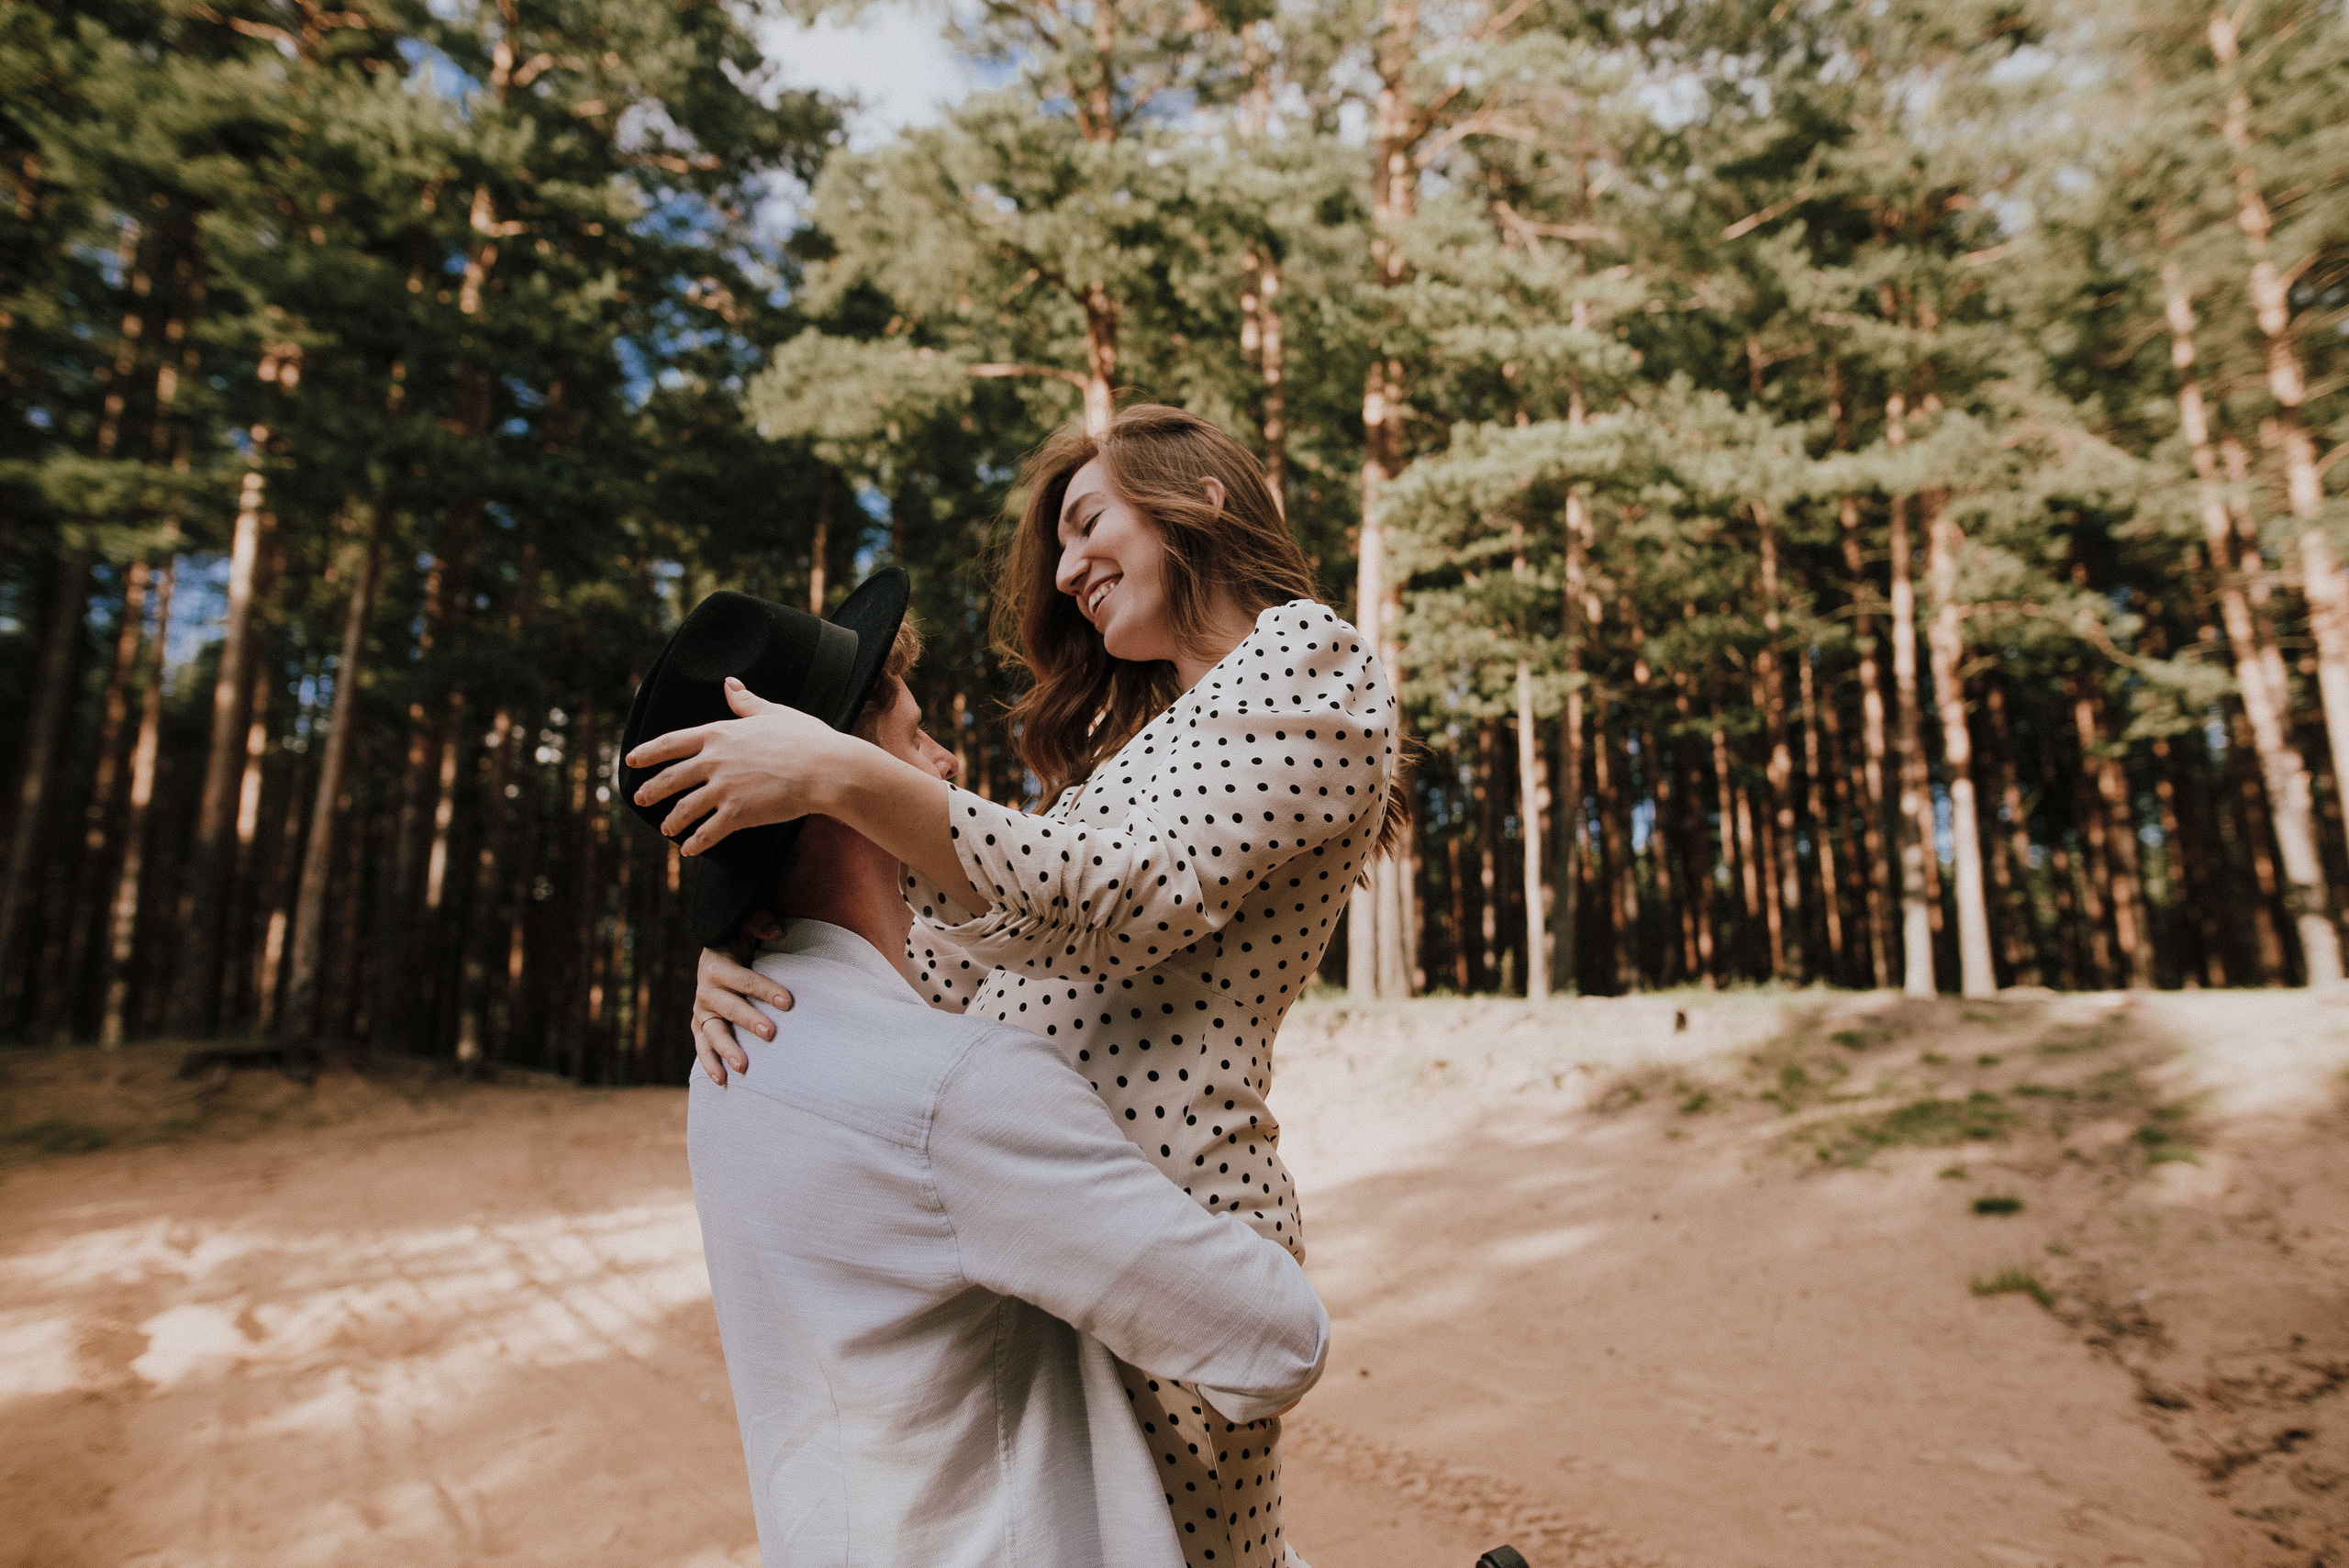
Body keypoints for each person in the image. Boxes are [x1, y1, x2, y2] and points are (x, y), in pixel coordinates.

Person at [626, 405, 1406, 1567]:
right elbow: (981, 955)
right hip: (1028, 1222)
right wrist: (752, 936)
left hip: (1171, 1226)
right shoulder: (1145, 747)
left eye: (1088, 522)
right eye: (1057, 547)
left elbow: (1120, 897)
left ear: (1204, 495)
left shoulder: (1313, 660)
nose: (1067, 568)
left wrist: (840, 777)